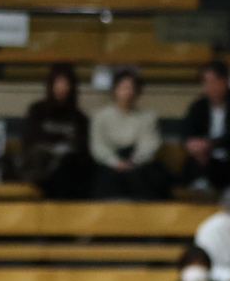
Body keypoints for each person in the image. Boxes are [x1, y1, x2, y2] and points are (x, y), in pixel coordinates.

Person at [89, 69, 169, 200]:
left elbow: (149, 145)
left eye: (131, 88)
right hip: (110, 162)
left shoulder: (148, 117)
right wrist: (115, 162)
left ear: (137, 92)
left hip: (138, 163)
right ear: (115, 89)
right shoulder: (100, 116)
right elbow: (98, 145)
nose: (127, 92)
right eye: (123, 88)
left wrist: (134, 161)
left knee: (148, 177)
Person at [179, 60, 230, 192]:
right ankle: (199, 187)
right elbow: (187, 130)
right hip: (204, 159)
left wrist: (209, 145)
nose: (210, 87)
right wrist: (192, 144)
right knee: (193, 162)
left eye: (214, 81)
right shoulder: (199, 106)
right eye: (206, 82)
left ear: (226, 81)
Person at [20, 62, 91, 200]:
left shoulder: (79, 117)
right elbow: (31, 140)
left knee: (70, 165)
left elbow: (81, 147)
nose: (61, 88)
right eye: (58, 83)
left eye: (65, 83)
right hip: (42, 166)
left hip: (67, 172)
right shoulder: (37, 111)